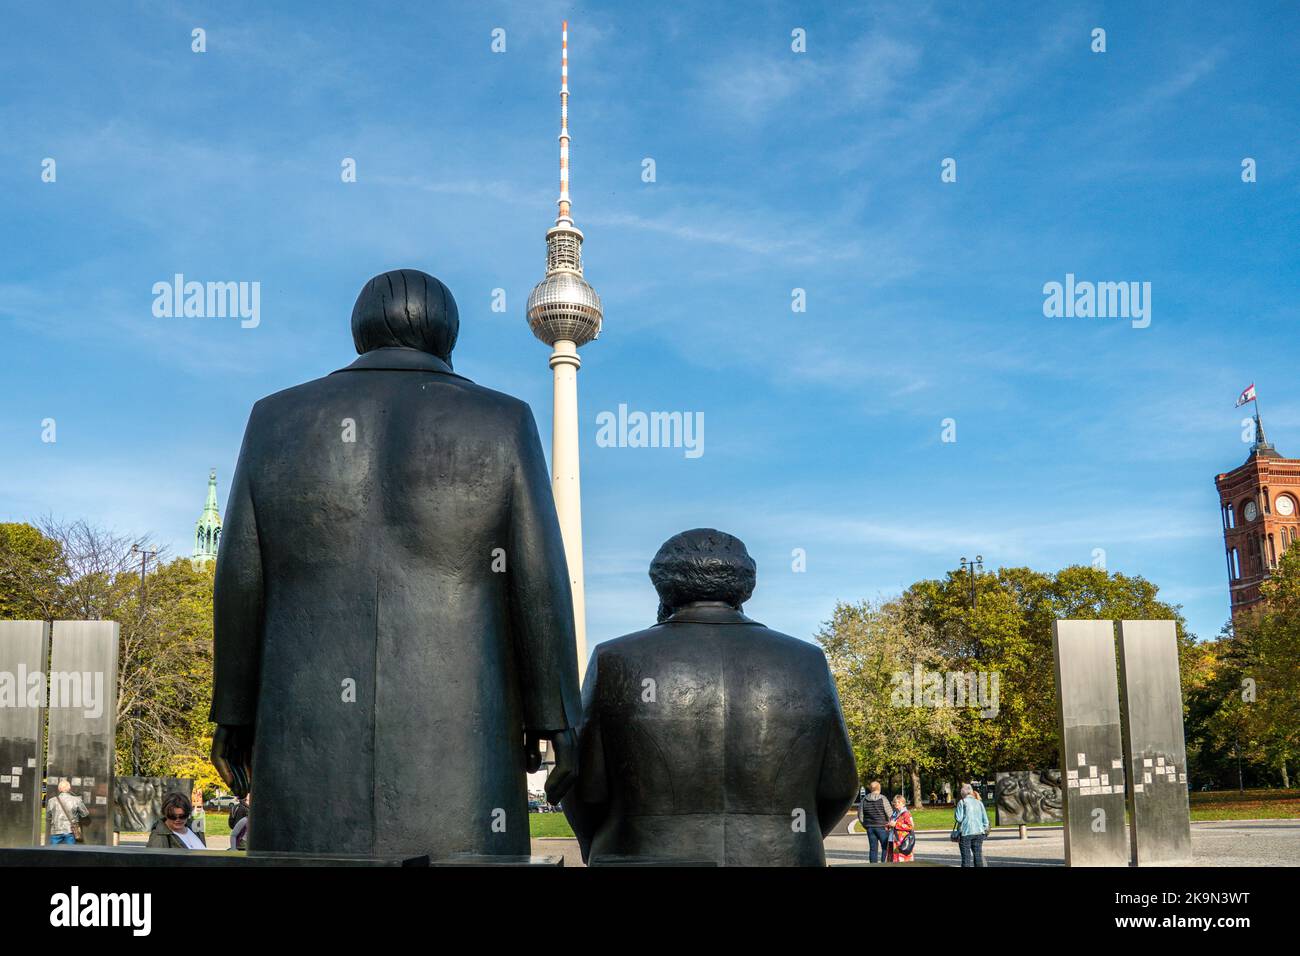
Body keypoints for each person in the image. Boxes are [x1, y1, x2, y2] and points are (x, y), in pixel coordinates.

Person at [209, 270, 581, 859]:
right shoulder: (503, 420)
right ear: (447, 336)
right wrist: (556, 717)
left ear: (359, 332)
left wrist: (231, 709)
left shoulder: (274, 419)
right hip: (463, 730)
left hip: (303, 725)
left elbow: (239, 577)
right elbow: (538, 577)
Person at [562, 529, 859, 866]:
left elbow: (583, 787)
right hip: (780, 855)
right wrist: (788, 841)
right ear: (745, 585)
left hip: (640, 855)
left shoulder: (613, 658)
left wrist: (596, 846)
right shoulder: (807, 661)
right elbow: (838, 785)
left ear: (663, 584)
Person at [954, 782, 989, 867]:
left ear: (963, 793)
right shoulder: (979, 803)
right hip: (979, 832)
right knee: (978, 856)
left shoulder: (962, 802)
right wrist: (984, 829)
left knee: (966, 858)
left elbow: (959, 818)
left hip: (966, 833)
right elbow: (985, 820)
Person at [858, 780, 892, 863]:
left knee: (873, 849)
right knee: (885, 848)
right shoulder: (883, 799)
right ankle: (884, 864)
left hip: (870, 828)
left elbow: (860, 815)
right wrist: (889, 824)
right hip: (882, 827)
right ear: (879, 788)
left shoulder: (864, 800)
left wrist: (865, 825)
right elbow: (889, 813)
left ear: (870, 789)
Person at [46, 779, 88, 845]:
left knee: (53, 852)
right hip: (70, 830)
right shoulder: (76, 800)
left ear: (59, 789)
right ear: (69, 788)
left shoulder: (51, 801)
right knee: (70, 853)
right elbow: (85, 814)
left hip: (55, 830)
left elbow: (48, 816)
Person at [886, 795, 915, 862]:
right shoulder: (895, 813)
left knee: (901, 859)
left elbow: (910, 826)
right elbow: (892, 823)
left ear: (903, 803)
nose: (896, 804)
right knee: (893, 859)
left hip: (902, 840)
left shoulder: (906, 813)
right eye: (895, 802)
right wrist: (888, 825)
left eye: (899, 802)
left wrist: (896, 824)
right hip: (892, 839)